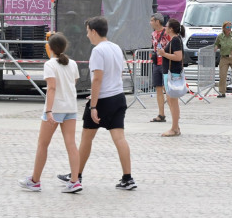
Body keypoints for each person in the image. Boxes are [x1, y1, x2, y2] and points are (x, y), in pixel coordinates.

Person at [58, 16, 135, 190]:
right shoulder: (116, 47)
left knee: (86, 139)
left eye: (87, 32)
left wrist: (93, 105)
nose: (87, 36)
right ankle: (127, 178)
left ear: (93, 31)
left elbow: (98, 79)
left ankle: (76, 176)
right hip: (118, 96)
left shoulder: (98, 51)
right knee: (120, 138)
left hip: (103, 100)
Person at [18, 32, 82, 193]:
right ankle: (75, 181)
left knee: (42, 145)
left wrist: (49, 110)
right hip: (71, 108)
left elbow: (52, 88)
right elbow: (73, 83)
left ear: (49, 48)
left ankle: (35, 180)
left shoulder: (50, 65)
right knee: (71, 144)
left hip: (55, 108)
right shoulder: (72, 63)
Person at [156, 18, 185, 136]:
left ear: (171, 28)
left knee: (172, 101)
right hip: (169, 72)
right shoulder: (174, 40)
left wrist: (164, 54)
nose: (165, 28)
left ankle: (174, 128)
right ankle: (176, 126)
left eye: (167, 26)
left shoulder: (175, 40)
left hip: (172, 73)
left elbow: (178, 57)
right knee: (172, 101)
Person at [149, 12, 171, 124]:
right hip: (156, 63)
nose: (150, 22)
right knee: (158, 88)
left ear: (158, 21)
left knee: (168, 89)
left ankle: (174, 112)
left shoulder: (167, 32)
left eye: (152, 20)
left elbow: (172, 46)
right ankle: (161, 114)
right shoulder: (153, 34)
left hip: (166, 63)